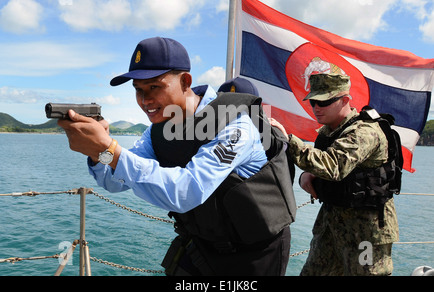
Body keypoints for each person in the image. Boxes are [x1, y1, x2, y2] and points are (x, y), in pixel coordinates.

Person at [58, 37, 296, 276]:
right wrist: (99, 154)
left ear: (185, 81)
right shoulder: (157, 131)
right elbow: (116, 181)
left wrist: (110, 149)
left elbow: (189, 189)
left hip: (255, 254)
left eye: (154, 87)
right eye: (138, 90)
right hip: (202, 246)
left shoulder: (235, 125)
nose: (145, 100)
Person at [270, 73, 400, 276]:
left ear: (345, 100)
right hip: (332, 224)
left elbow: (334, 165)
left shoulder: (365, 131)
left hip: (366, 230)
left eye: (325, 101)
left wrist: (288, 141)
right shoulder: (327, 133)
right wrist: (307, 174)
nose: (317, 108)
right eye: (313, 102)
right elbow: (321, 163)